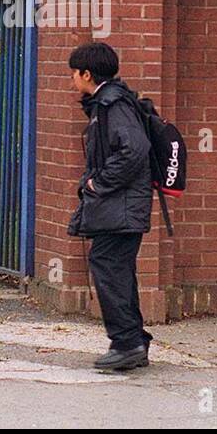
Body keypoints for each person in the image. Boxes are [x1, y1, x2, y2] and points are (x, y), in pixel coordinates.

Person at [66, 42, 154, 371]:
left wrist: (97, 183)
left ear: (87, 74)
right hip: (121, 208)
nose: (72, 81)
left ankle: (127, 343)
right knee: (117, 271)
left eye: (74, 74)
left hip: (121, 207)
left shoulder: (113, 104)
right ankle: (132, 342)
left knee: (109, 269)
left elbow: (134, 150)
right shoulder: (110, 101)